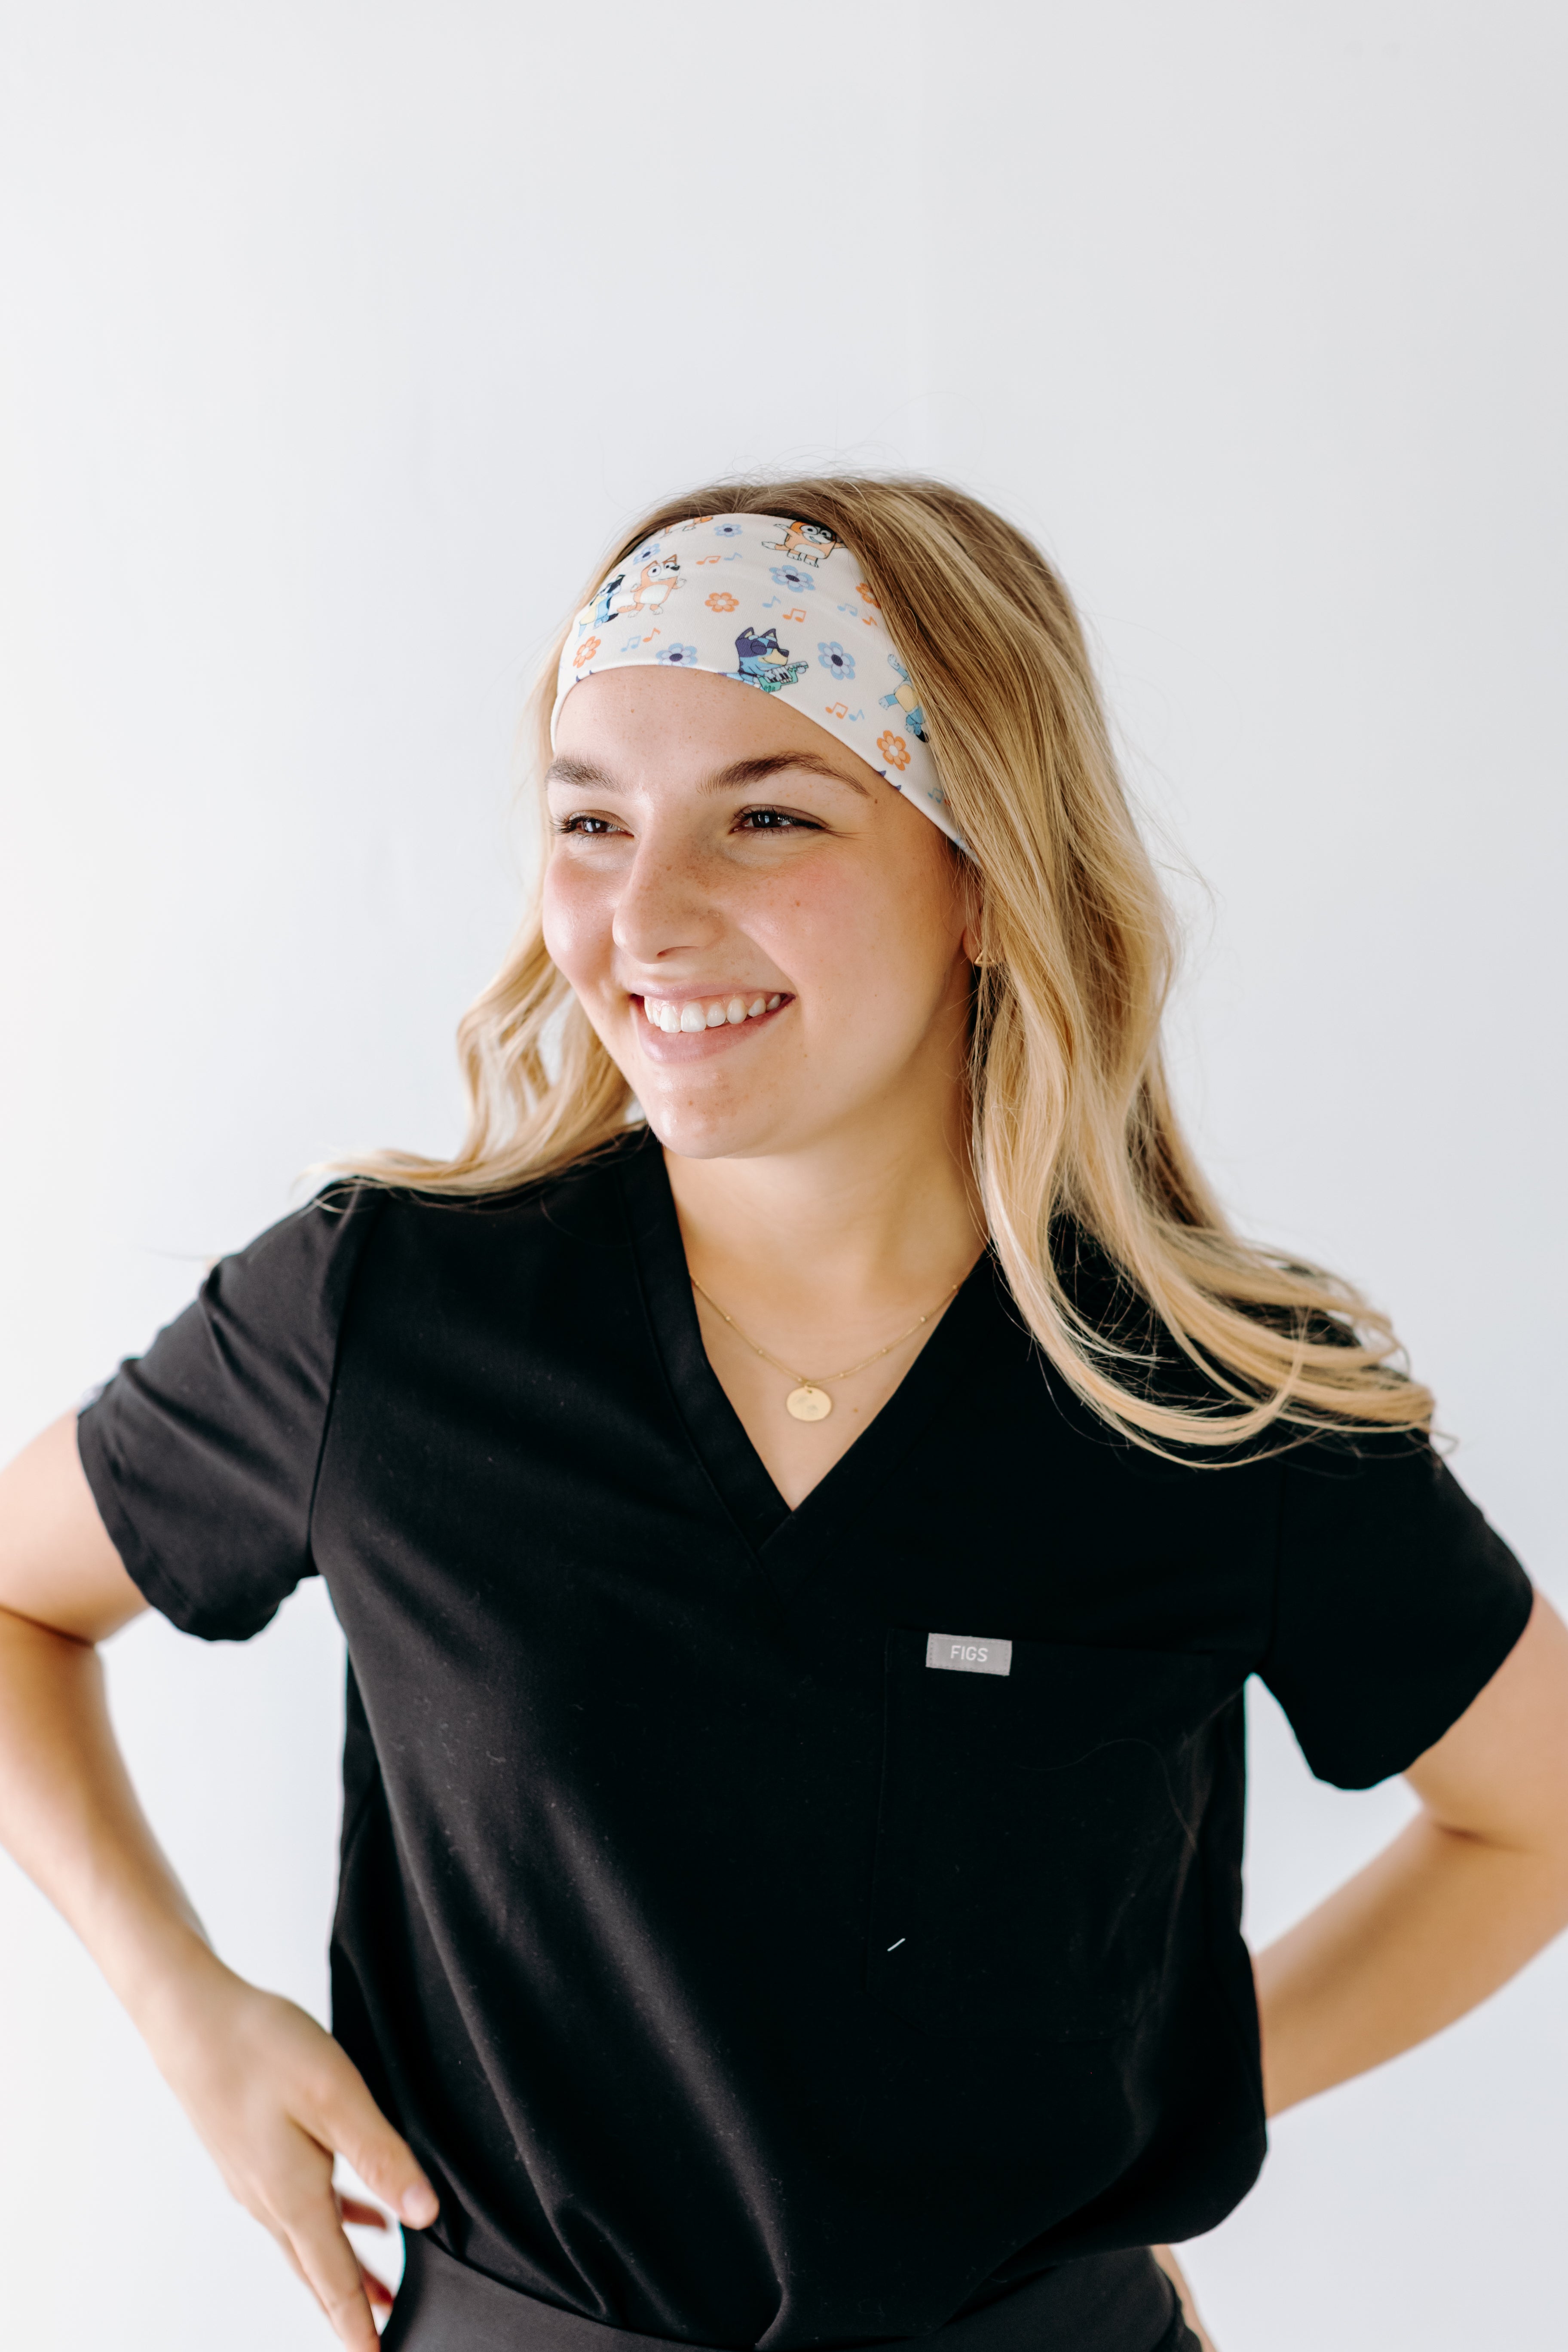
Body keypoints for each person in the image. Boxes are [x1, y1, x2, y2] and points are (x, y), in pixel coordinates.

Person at [1, 480, 1565, 2352]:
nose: (646, 915)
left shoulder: (1210, 1400)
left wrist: (1158, 2117)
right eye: (593, 819)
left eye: (769, 814)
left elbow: (1535, 1817)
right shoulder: (387, 1317)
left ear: (987, 877)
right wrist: (189, 2013)